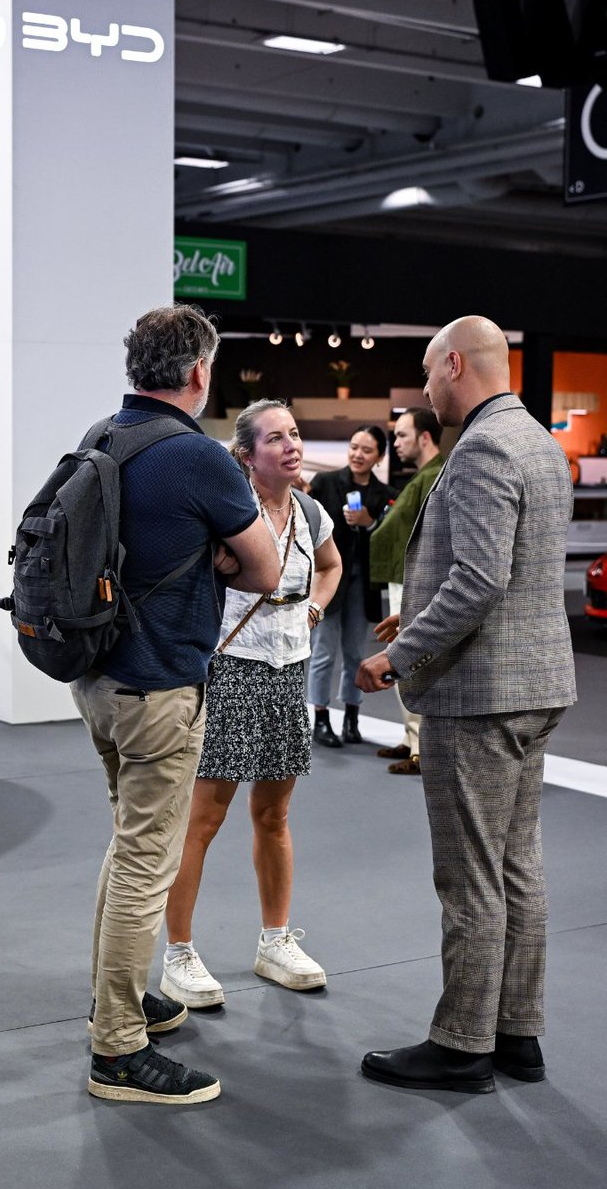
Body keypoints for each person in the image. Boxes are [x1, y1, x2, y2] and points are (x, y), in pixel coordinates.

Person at [356, 316, 576, 1094]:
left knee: (470, 878)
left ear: (455, 364)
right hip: (536, 685)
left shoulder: (482, 446)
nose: (423, 389)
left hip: (479, 696)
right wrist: (415, 617)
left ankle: (461, 1046)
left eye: (426, 371)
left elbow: (480, 579)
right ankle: (518, 1035)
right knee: (519, 867)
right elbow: (511, 574)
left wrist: (397, 653)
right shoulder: (542, 444)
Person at [72, 304, 281, 1106]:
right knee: (144, 865)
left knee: (126, 848)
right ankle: (117, 1050)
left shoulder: (100, 437)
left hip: (96, 679)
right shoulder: (197, 458)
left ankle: (116, 1000)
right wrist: (217, 557)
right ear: (198, 372)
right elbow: (264, 570)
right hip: (159, 687)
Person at [160, 400, 342, 1009]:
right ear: (246, 455)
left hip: (289, 669)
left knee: (274, 815)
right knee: (203, 820)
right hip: (231, 666)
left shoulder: (312, 511)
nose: (291, 446)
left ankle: (275, 940)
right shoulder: (228, 514)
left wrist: (314, 606)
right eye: (275, 438)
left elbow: (333, 564)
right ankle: (178, 953)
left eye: (294, 434)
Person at [307, 426, 394, 747]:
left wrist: (370, 523)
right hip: (328, 580)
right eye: (354, 446)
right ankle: (320, 719)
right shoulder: (324, 484)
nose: (358, 454)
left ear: (379, 457)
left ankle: (352, 718)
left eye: (366, 450)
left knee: (356, 653)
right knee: (323, 652)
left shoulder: (387, 495)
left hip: (363, 584)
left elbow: (391, 542)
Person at [369, 407, 444, 775]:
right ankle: (412, 738)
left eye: (401, 435)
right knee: (404, 658)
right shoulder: (426, 476)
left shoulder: (434, 477)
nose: (394, 443)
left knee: (409, 659)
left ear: (424, 437)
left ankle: (420, 748)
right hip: (403, 577)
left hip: (414, 581)